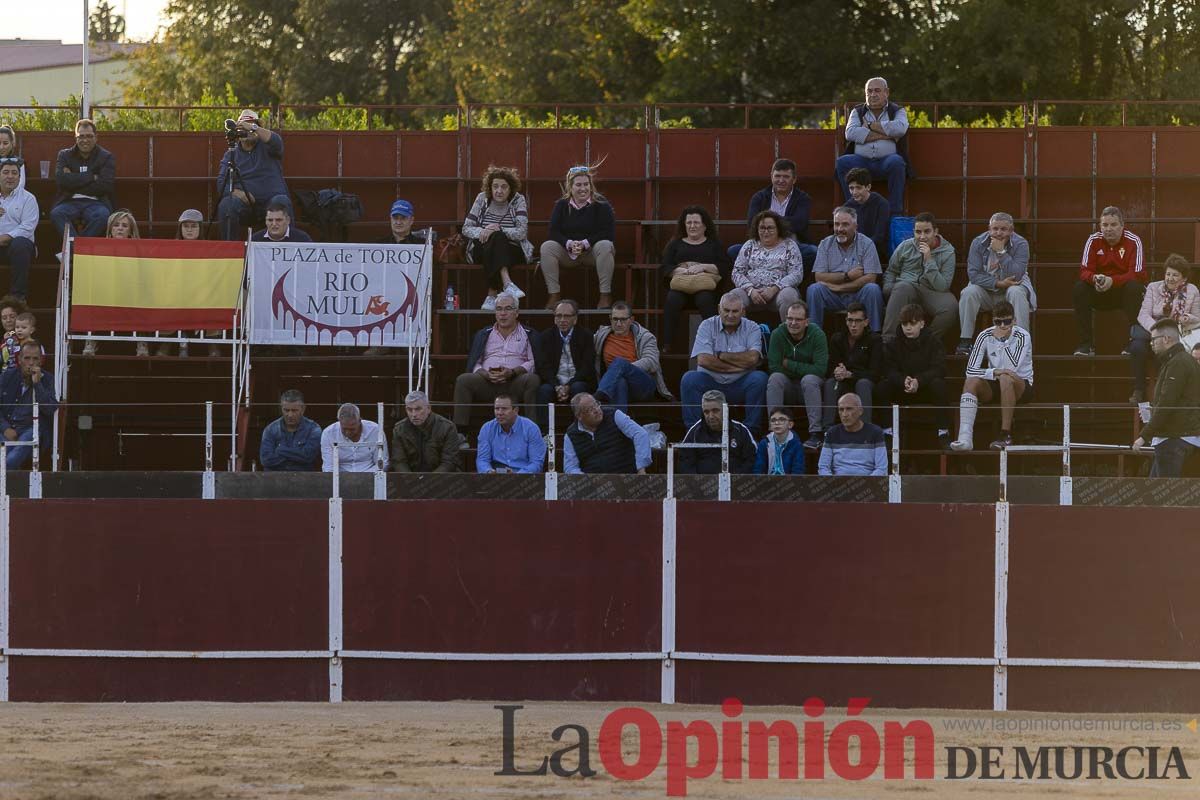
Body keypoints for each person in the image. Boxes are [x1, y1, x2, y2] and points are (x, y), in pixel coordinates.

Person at [951, 301, 1034, 451]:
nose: (1003, 325)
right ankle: (965, 437)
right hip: (995, 382)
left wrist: (1003, 341)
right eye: (998, 322)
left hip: (1021, 384)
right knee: (971, 382)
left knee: (1006, 377)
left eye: (1007, 321)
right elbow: (970, 370)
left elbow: (1011, 368)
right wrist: (993, 372)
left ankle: (1005, 434)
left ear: (1014, 320)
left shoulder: (1023, 336)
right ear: (993, 321)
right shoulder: (985, 335)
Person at [680, 291, 767, 433]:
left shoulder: (752, 327)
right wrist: (739, 365)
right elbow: (703, 360)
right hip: (710, 384)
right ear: (719, 308)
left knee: (759, 379)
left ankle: (750, 432)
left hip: (740, 385)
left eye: (735, 311)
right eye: (726, 310)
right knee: (689, 379)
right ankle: (694, 432)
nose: (730, 315)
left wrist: (722, 355)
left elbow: (753, 359)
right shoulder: (706, 325)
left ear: (743, 312)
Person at [453, 293, 541, 432]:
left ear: (516, 313)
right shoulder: (484, 333)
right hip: (487, 382)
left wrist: (512, 372)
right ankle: (460, 432)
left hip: (515, 382)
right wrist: (485, 374)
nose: (503, 313)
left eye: (508, 309)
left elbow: (533, 362)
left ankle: (533, 431)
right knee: (463, 380)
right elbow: (475, 362)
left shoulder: (528, 333)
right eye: (499, 309)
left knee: (532, 379)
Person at [540, 163, 616, 309]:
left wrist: (585, 243)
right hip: (569, 253)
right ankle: (554, 294)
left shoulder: (601, 204)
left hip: (592, 253)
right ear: (571, 187)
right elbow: (553, 231)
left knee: (606, 245)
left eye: (586, 184)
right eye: (578, 185)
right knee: (547, 247)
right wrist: (569, 243)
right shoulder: (562, 205)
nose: (583, 188)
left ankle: (605, 295)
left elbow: (608, 232)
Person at [1073, 206, 1147, 356]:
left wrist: (1112, 281)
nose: (1108, 229)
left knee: (1135, 288)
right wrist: (1095, 279)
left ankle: (1134, 342)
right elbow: (1084, 271)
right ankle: (1086, 345)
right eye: (1105, 225)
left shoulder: (1134, 241)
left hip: (1123, 294)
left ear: (1122, 226)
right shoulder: (1093, 240)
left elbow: (1137, 274)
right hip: (1100, 292)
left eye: (1113, 225)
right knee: (1080, 288)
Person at [957, 212, 1035, 354]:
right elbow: (974, 275)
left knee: (1016, 292)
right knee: (969, 292)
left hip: (1010, 292)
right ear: (989, 229)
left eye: (1003, 229)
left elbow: (1017, 274)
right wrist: (999, 283)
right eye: (995, 229)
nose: (998, 233)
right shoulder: (978, 242)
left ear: (1011, 231)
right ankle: (965, 341)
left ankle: (1022, 342)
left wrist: (1001, 252)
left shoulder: (1021, 243)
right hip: (987, 292)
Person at [876, 303, 952, 447]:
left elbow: (940, 368)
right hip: (901, 389)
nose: (908, 327)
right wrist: (902, 380)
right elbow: (888, 369)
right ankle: (887, 432)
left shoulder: (934, 342)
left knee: (939, 385)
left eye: (913, 323)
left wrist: (919, 380)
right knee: (882, 387)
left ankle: (943, 432)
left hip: (925, 390)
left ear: (922, 324)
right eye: (904, 324)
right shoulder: (893, 343)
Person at [1133, 319, 1200, 478]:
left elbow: (1167, 403)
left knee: (1162, 497)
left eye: (1153, 340)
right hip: (1175, 437)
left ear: (1166, 339)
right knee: (1157, 495)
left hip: (1173, 438)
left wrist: (1144, 436)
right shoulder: (1180, 361)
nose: (1151, 344)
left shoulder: (1178, 363)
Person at [660, 205, 731, 352]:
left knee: (705, 299)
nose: (692, 226)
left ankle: (714, 342)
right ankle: (667, 343)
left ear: (704, 225)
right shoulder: (675, 244)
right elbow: (665, 267)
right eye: (689, 223)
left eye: (696, 222)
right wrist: (681, 270)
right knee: (672, 299)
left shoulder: (714, 244)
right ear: (684, 225)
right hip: (681, 286)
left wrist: (703, 267)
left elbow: (725, 266)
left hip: (705, 288)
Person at [1129, 254, 1199, 404]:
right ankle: (1139, 389)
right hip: (1152, 331)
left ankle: (1163, 394)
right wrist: (1156, 330)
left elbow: (1197, 319)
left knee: (1168, 351)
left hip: (1175, 334)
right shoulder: (1154, 287)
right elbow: (1143, 314)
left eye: (1175, 275)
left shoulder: (1192, 290)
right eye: (1168, 274)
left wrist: (1187, 318)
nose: (1170, 278)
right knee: (1136, 347)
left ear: (1184, 278)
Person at [836, 77, 910, 215]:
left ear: (886, 92)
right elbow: (850, 133)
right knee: (842, 162)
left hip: (886, 161)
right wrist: (886, 134)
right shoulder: (857, 111)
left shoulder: (897, 110)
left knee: (897, 162)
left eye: (877, 90)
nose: (872, 95)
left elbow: (900, 129)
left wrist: (869, 126)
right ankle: (852, 209)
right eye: (869, 91)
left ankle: (895, 213)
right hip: (861, 162)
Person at [462, 165, 532, 310]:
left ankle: (492, 294)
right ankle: (507, 283)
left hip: (512, 250)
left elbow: (521, 232)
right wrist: (484, 231)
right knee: (495, 239)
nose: (499, 191)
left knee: (498, 236)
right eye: (495, 186)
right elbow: (466, 228)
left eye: (504, 187)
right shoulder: (482, 198)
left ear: (510, 188)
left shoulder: (518, 200)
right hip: (481, 248)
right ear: (490, 187)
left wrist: (497, 230)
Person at [882, 211, 957, 341]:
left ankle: (925, 342)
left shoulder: (948, 251)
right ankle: (888, 342)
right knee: (902, 287)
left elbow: (943, 286)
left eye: (927, 232)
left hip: (932, 290)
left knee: (951, 307)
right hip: (907, 287)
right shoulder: (905, 246)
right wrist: (888, 287)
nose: (922, 236)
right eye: (918, 232)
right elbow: (891, 271)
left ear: (935, 231)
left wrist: (929, 260)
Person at [807, 206, 884, 331]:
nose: (839, 229)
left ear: (855, 227)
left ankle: (875, 336)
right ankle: (814, 336)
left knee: (873, 289)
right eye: (836, 224)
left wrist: (840, 286)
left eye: (845, 225)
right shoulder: (825, 244)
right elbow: (819, 276)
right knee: (814, 290)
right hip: (833, 296)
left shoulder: (867, 244)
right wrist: (847, 276)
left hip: (858, 295)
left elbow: (870, 278)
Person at [730, 158, 816, 270]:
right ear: (771, 177)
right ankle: (757, 279)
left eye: (786, 177)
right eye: (777, 176)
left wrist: (769, 222)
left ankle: (792, 281)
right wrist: (784, 223)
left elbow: (800, 224)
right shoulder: (759, 197)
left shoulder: (803, 198)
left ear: (794, 179)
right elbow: (752, 223)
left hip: (791, 244)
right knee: (733, 251)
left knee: (813, 252)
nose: (781, 180)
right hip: (762, 246)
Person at [216, 109, 288, 240]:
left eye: (251, 125)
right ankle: (230, 253)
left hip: (272, 202)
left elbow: (277, 142)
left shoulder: (268, 147)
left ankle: (285, 252)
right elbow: (221, 184)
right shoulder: (231, 154)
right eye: (243, 126)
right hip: (245, 207)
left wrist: (252, 127)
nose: (248, 131)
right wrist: (239, 194)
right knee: (227, 205)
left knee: (282, 202)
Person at [766, 300, 828, 450]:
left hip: (810, 388)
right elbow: (774, 366)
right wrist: (804, 368)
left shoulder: (817, 334)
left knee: (809, 379)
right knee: (775, 378)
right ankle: (775, 431)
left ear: (806, 322)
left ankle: (815, 433)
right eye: (790, 318)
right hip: (788, 387)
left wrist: (789, 364)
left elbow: (820, 370)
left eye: (798, 319)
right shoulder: (778, 334)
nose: (793, 323)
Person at [593, 302, 672, 414]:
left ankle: (599, 396)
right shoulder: (600, 336)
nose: (619, 323)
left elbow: (652, 362)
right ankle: (619, 425)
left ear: (631, 320)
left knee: (619, 363)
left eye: (623, 319)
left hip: (643, 385)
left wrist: (624, 368)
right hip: (616, 385)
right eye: (615, 319)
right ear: (610, 319)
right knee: (620, 381)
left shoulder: (645, 337)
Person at [81, 210, 141, 357]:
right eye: (116, 225)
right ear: (110, 229)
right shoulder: (99, 248)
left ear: (131, 231)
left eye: (124, 226)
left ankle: (141, 341)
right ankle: (91, 338)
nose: (120, 228)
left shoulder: (139, 249)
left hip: (130, 290)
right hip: (105, 289)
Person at [731, 210, 805, 323]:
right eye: (762, 228)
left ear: (778, 229)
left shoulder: (789, 245)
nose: (766, 231)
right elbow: (737, 272)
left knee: (789, 296)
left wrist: (774, 288)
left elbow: (796, 273)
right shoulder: (750, 245)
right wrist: (751, 290)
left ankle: (788, 336)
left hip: (779, 292)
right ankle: (739, 337)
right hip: (752, 293)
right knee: (733, 297)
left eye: (770, 228)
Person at [534, 299, 596, 428]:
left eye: (567, 316)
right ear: (554, 318)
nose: (562, 319)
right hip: (554, 383)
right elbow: (543, 367)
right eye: (558, 316)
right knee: (543, 390)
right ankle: (544, 433)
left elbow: (587, 367)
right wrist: (557, 386)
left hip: (577, 382)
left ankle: (579, 430)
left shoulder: (586, 336)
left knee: (578, 388)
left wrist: (568, 386)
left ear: (575, 319)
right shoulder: (545, 336)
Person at [50, 119, 115, 239]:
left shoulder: (106, 157)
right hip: (69, 201)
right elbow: (61, 181)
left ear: (96, 137)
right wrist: (92, 176)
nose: (85, 140)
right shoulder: (64, 155)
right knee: (56, 214)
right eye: (81, 136)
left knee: (103, 216)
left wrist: (72, 180)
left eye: (89, 136)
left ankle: (75, 248)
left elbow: (105, 186)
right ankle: (78, 249)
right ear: (76, 138)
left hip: (96, 203)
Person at [823, 302, 882, 430]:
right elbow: (829, 368)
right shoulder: (837, 338)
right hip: (843, 382)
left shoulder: (875, 340)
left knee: (863, 383)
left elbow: (876, 373)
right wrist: (837, 372)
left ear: (866, 322)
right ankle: (827, 430)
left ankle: (865, 430)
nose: (853, 325)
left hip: (866, 381)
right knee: (831, 383)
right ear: (846, 321)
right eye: (850, 320)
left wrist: (851, 374)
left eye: (857, 321)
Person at [0, 340, 57, 470]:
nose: (31, 363)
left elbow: (49, 409)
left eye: (35, 359)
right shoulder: (7, 376)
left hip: (31, 429)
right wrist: (5, 428)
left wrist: (37, 384)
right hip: (7, 427)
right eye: (27, 358)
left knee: (10, 461)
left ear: (41, 361)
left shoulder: (48, 379)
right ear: (19, 360)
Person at [563, 393, 650, 475]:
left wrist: (641, 468)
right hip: (594, 484)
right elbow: (570, 467)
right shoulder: (571, 435)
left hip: (626, 476)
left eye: (596, 404)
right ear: (579, 416)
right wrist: (587, 480)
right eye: (590, 409)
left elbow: (640, 434)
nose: (596, 410)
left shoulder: (614, 415)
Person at [678, 389, 757, 474]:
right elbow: (685, 463)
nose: (711, 416)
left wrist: (735, 480)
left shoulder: (741, 430)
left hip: (736, 484)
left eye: (715, 411)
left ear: (725, 409)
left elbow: (751, 460)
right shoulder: (695, 432)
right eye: (706, 412)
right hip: (701, 485)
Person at [391, 390, 463, 473]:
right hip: (411, 479)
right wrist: (411, 480)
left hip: (441, 478)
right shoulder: (399, 429)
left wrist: (429, 481)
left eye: (418, 409)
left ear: (428, 408)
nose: (414, 414)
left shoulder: (447, 427)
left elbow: (449, 462)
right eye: (409, 410)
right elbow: (399, 461)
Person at [817, 393, 888, 476]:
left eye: (849, 409)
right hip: (837, 485)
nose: (844, 414)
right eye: (841, 409)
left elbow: (881, 468)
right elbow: (823, 467)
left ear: (860, 411)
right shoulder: (832, 432)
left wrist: (868, 484)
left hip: (868, 484)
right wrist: (833, 484)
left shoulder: (875, 432)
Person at [476, 393, 546, 474]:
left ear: (516, 410)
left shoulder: (531, 428)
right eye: (497, 408)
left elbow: (536, 463)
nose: (499, 413)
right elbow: (482, 460)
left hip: (524, 478)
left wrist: (516, 476)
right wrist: (488, 471)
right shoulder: (487, 428)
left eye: (504, 409)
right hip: (495, 478)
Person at [0, 156, 38, 300]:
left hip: (17, 247)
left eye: (14, 173)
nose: (10, 176)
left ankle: (17, 298)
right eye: (6, 172)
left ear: (19, 177)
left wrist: (5, 237)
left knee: (20, 243)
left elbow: (28, 227)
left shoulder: (28, 198)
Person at [258, 389, 322, 471]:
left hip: (303, 479)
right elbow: (265, 460)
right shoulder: (270, 429)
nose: (290, 415)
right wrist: (297, 456)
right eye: (286, 410)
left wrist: (280, 450)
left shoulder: (314, 429)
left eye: (294, 410)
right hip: (275, 479)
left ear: (303, 409)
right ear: (281, 408)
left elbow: (308, 457)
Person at [321, 403, 388, 472]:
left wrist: (364, 477)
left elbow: (382, 463)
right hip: (339, 477)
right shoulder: (328, 433)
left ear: (359, 421)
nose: (348, 432)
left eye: (352, 429)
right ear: (339, 421)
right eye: (344, 429)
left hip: (371, 476)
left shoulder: (376, 431)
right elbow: (328, 467)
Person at [844, 167, 890, 265]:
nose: (854, 192)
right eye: (851, 188)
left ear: (868, 187)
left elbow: (879, 236)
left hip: (876, 249)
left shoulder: (882, 204)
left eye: (858, 187)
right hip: (853, 250)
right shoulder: (848, 206)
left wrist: (860, 248)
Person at [754, 407, 805, 475]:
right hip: (767, 482)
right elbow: (758, 469)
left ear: (790, 424)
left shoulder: (796, 444)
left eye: (782, 419)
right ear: (770, 425)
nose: (777, 423)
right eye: (773, 420)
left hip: (789, 483)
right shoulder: (764, 443)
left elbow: (798, 471)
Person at [0, 296, 26, 372]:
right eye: (4, 318)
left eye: (12, 316)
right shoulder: (3, 339)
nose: (8, 320)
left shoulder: (28, 337)